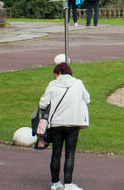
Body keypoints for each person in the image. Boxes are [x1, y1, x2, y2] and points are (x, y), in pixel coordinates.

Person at [39, 62, 91, 190]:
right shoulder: (78, 83)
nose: (54, 77)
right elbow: (87, 99)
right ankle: (68, 183)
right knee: (70, 153)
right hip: (73, 122)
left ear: (59, 73)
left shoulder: (52, 85)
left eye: (55, 74)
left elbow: (42, 104)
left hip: (56, 123)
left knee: (56, 153)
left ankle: (55, 182)